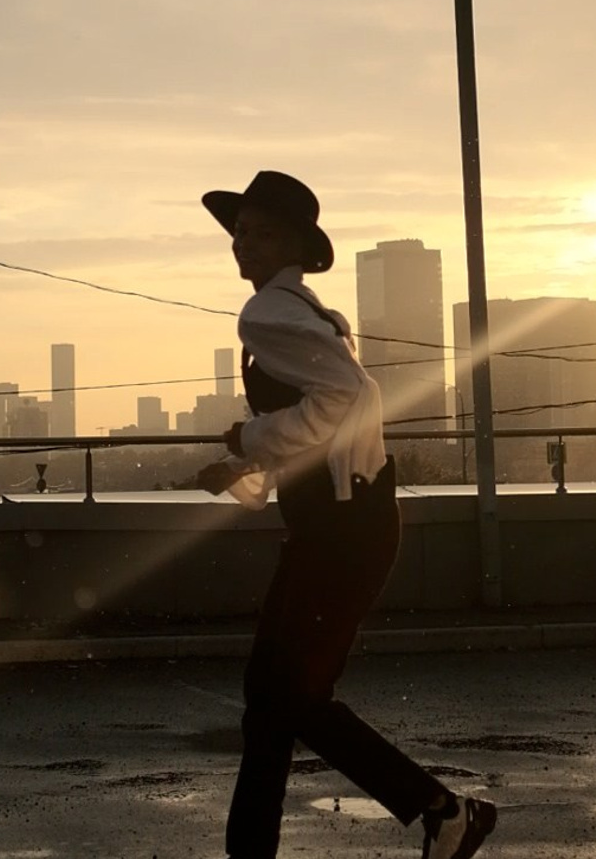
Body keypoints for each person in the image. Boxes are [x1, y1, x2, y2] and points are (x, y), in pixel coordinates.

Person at [195, 170, 497, 859]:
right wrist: (246, 468)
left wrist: (246, 441)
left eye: (262, 233)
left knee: (291, 698)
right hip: (343, 525)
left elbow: (343, 403)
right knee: (271, 699)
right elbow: (329, 423)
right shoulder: (306, 312)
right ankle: (434, 813)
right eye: (240, 232)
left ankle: (442, 810)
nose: (244, 244)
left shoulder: (268, 313)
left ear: (295, 244)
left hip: (340, 533)